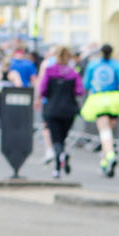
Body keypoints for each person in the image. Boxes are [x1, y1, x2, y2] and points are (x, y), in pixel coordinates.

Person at [81, 42, 119, 175]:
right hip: (115, 101)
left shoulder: (93, 64)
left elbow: (86, 83)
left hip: (99, 100)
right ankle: (104, 162)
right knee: (108, 132)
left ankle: (109, 155)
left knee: (104, 132)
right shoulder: (117, 65)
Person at [36, 45, 83, 178]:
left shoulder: (50, 71)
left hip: (52, 109)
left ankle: (57, 167)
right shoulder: (73, 73)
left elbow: (43, 90)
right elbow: (79, 91)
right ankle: (60, 160)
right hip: (69, 110)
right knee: (62, 138)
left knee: (56, 139)